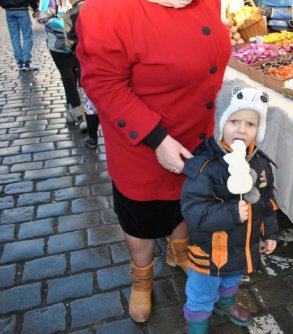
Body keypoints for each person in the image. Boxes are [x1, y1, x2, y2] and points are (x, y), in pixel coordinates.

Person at [75, 0, 231, 323]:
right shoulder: (106, 9)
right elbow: (102, 83)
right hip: (142, 147)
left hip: (194, 138)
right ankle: (142, 279)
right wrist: (157, 139)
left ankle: (177, 250)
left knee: (186, 203)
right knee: (141, 220)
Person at [181, 79, 279, 333]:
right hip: (211, 251)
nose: (242, 130)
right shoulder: (205, 166)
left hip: (242, 247)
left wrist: (270, 232)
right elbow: (193, 211)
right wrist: (231, 213)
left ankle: (226, 302)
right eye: (234, 121)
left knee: (232, 278)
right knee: (201, 292)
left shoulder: (260, 164)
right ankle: (198, 325)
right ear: (220, 123)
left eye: (251, 124)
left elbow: (267, 201)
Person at [37, 0, 86, 129]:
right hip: (58, 45)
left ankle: (70, 115)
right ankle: (78, 115)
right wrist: (68, 26)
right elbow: (43, 18)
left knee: (75, 77)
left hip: (78, 42)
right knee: (68, 79)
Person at [63, 0, 99, 149]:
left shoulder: (71, 14)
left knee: (91, 102)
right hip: (111, 61)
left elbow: (70, 43)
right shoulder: (101, 7)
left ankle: (92, 138)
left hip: (87, 63)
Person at [0, 0, 39, 70]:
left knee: (14, 37)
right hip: (22, 10)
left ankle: (20, 61)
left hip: (9, 10)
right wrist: (35, 8)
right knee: (27, 36)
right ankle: (26, 61)